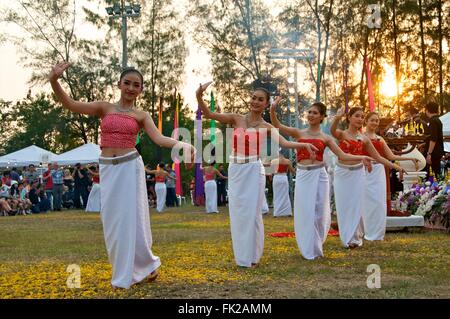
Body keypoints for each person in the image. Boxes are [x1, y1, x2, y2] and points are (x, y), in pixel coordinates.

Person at [48, 62, 195, 289]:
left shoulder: (141, 115)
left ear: (141, 90)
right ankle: (147, 265)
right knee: (113, 221)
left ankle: (124, 277)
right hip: (108, 167)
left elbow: (159, 139)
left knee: (130, 219)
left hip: (129, 167)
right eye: (127, 83)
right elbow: (70, 104)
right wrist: (54, 81)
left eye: (136, 85)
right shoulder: (104, 107)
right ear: (119, 84)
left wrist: (183, 144)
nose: (130, 88)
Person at [197, 81, 318, 268]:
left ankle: (253, 255)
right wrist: (199, 96)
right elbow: (209, 114)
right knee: (237, 213)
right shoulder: (236, 118)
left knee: (252, 213)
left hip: (253, 169)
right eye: (253, 98)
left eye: (260, 99)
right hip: (235, 169)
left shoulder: (266, 126)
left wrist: (303, 145)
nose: (255, 101)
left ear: (266, 104)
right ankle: (242, 257)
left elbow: (285, 144)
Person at [271, 100, 373, 259]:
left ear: (322, 117)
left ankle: (317, 245)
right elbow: (277, 125)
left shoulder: (326, 138)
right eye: (309, 112)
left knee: (319, 212)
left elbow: (342, 155)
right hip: (304, 175)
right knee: (305, 211)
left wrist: (363, 157)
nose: (310, 115)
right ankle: (308, 247)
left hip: (320, 175)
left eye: (315, 113)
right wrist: (272, 109)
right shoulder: (299, 133)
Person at [330, 107, 406, 249]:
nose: (360, 119)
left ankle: (353, 239)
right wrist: (337, 118)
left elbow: (378, 157)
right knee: (343, 205)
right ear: (350, 118)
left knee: (356, 205)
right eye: (357, 116)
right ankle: (347, 235)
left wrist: (397, 167)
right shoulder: (342, 134)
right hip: (341, 173)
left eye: (362, 116)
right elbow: (332, 131)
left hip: (358, 174)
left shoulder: (364, 138)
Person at [363, 112, 418, 241]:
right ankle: (365, 230)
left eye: (377, 121)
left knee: (378, 202)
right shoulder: (361, 137)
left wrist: (410, 158)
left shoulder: (380, 139)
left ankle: (377, 233)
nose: (375, 123)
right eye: (372, 120)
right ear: (366, 121)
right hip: (364, 170)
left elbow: (391, 156)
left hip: (378, 171)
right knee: (366, 201)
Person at [270, 152, 295, 217]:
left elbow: (271, 172)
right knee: (285, 194)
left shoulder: (273, 161)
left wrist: (270, 178)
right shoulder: (287, 161)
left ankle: (277, 212)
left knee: (276, 194)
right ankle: (287, 212)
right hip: (284, 177)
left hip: (276, 177)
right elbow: (292, 171)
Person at [423, 102, 444, 179]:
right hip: (438, 151)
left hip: (433, 152)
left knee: (432, 174)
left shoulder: (432, 121)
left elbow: (433, 139)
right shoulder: (438, 120)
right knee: (436, 173)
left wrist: (429, 154)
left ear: (427, 110)